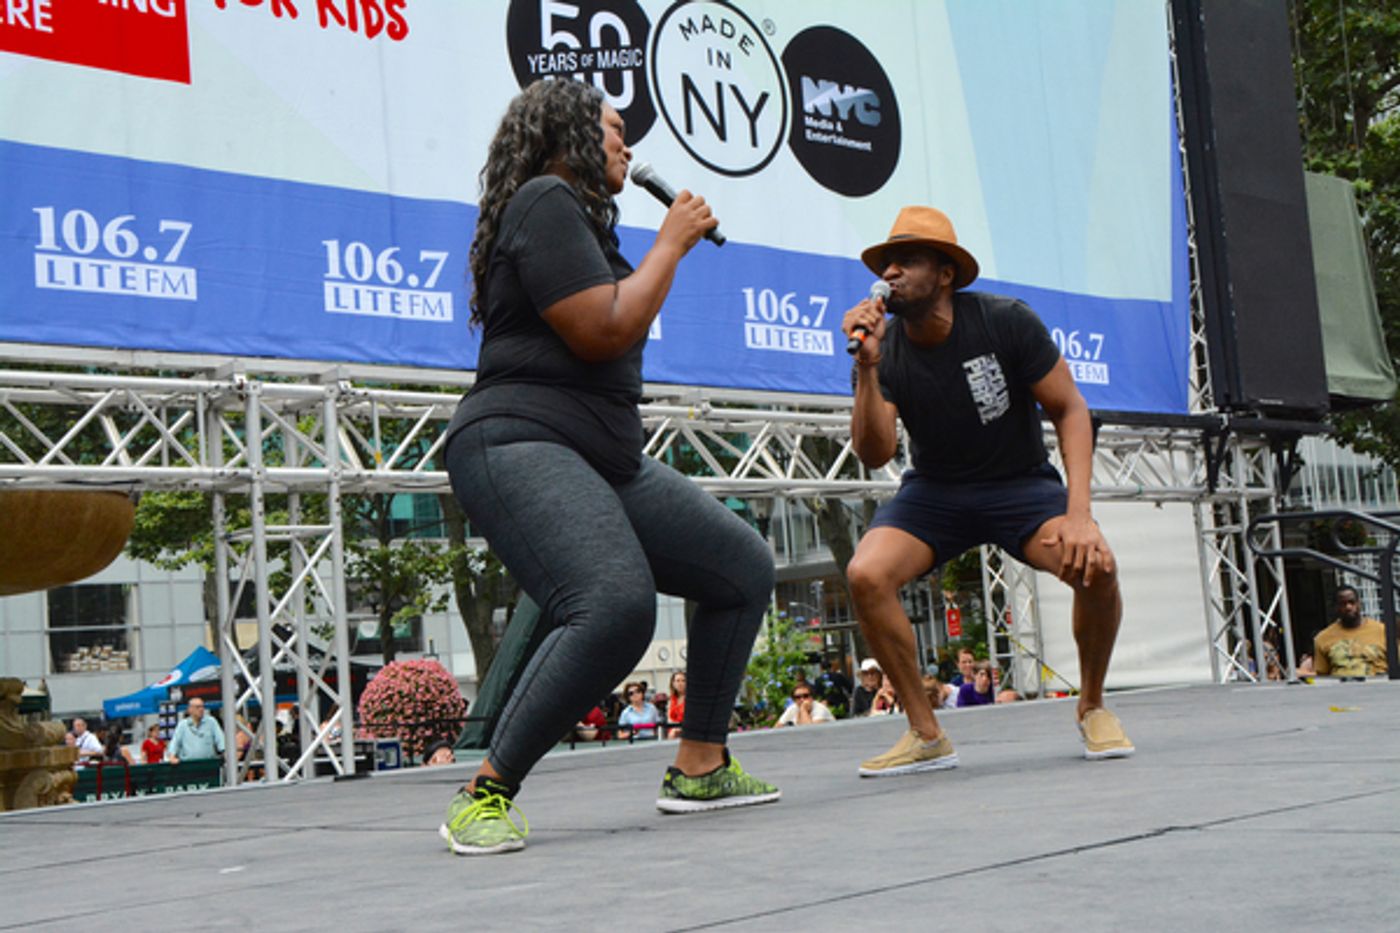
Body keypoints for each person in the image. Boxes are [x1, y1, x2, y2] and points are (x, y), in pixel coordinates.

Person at [436, 78, 779, 856]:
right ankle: (484, 789)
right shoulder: (544, 198)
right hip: (518, 441)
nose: (627, 143)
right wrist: (673, 241)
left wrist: (656, 249)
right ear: (568, 136)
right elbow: (603, 330)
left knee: (742, 566)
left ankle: (700, 761)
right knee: (615, 601)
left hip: (604, 457)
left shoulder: (584, 225)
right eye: (615, 128)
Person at [842, 205, 1134, 777]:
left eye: (908, 261)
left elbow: (1071, 409)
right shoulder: (887, 347)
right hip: (937, 492)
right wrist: (868, 371)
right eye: (888, 263)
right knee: (865, 574)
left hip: (1019, 485)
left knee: (1096, 564)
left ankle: (1093, 705)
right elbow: (874, 452)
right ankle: (926, 733)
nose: (892, 272)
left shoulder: (1005, 321)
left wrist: (1080, 515)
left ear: (946, 274)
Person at [1313, 585, 1390, 679]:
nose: (1348, 607)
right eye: (1342, 604)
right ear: (1336, 607)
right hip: (1341, 690)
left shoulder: (1383, 631)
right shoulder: (1323, 638)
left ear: (1359, 604)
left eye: (1352, 602)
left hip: (1380, 687)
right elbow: (1322, 676)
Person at [167, 698, 225, 764]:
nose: (201, 709)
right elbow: (175, 742)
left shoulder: (211, 722)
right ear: (190, 709)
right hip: (188, 765)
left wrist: (225, 752)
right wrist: (172, 756)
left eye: (202, 707)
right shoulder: (183, 725)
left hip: (208, 764)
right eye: (198, 707)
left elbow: (220, 739)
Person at [666, 671, 687, 740]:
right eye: (677, 681)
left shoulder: (691, 699)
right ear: (673, 683)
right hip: (673, 732)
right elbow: (670, 718)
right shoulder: (671, 699)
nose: (680, 683)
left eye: (683, 681)